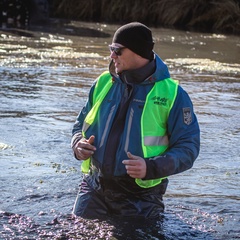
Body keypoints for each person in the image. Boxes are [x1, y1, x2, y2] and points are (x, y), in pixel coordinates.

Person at [71, 22, 200, 219]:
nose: (112, 56)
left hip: (141, 197)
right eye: (111, 50)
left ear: (138, 52)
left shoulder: (173, 94)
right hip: (94, 187)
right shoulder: (103, 82)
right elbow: (80, 124)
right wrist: (77, 144)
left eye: (117, 50)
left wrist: (150, 167)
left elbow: (188, 148)